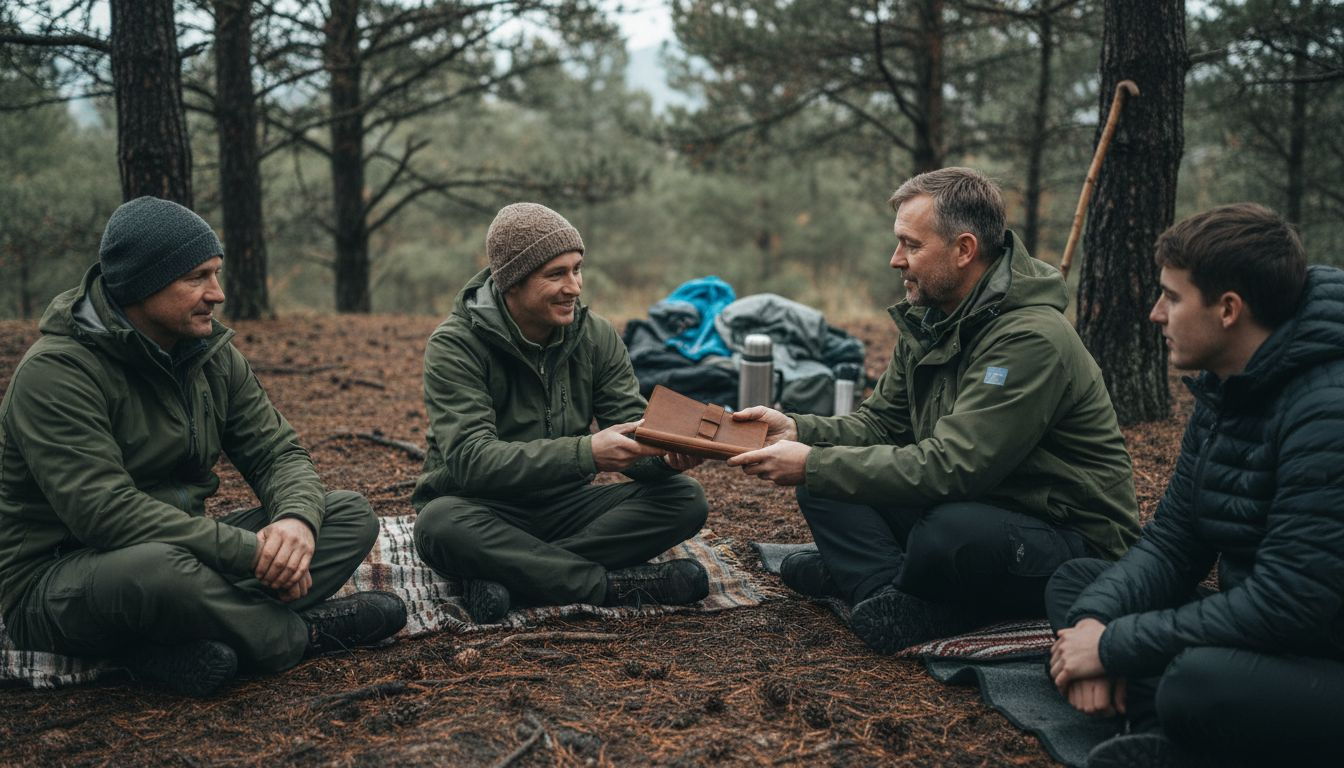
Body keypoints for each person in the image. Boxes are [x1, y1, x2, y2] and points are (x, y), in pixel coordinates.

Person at [0, 197, 406, 697]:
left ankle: (165, 647)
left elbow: (277, 453)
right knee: (159, 574)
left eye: (216, 273)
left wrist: (295, 521)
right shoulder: (57, 373)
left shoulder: (209, 355)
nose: (216, 294)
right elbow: (104, 515)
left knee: (347, 515)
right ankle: (300, 634)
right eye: (196, 277)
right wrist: (249, 554)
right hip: (64, 578)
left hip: (187, 554)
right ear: (141, 284)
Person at [726, 167, 1139, 653]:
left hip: (1067, 535)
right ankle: (890, 595)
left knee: (947, 531)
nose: (895, 259)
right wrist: (798, 428)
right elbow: (880, 424)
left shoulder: (1030, 339)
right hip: (978, 502)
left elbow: (955, 467)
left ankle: (895, 583)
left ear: (964, 250)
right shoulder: (932, 319)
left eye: (911, 245)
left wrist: (812, 462)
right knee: (825, 482)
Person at [1047, 203, 1344, 767]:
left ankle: (1162, 716)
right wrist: (1095, 627)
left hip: (1319, 653)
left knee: (1196, 682)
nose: (1156, 313)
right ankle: (1161, 729)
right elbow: (1173, 544)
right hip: (1264, 630)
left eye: (1173, 297)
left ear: (1228, 309)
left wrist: (1112, 648)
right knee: (1080, 588)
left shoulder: (1327, 410)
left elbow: (1290, 604)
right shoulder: (1227, 386)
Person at [412, 202, 711, 624]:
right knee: (437, 524)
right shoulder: (455, 345)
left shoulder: (595, 336)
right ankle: (608, 586)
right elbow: (472, 462)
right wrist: (586, 454)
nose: (574, 286)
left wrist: (664, 456)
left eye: (577, 269)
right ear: (512, 282)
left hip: (567, 508)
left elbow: (631, 427)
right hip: (482, 509)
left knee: (684, 500)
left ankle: (513, 576)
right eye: (556, 274)